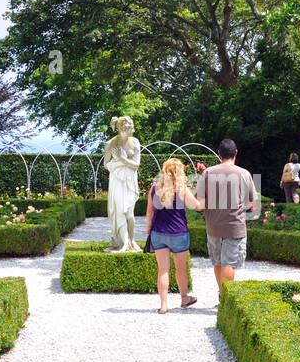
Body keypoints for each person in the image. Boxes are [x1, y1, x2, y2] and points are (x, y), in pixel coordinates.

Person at [196, 138, 255, 297]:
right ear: (236, 153)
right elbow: (251, 201)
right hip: (234, 226)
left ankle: (222, 293)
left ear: (219, 153)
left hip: (213, 225)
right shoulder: (244, 174)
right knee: (229, 263)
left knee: (218, 262)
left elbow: (199, 202)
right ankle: (225, 298)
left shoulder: (208, 173)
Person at [145, 158, 204, 314]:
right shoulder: (182, 189)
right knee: (181, 269)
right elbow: (197, 206)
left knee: (163, 270)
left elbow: (149, 211)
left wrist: (148, 229)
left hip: (158, 233)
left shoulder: (154, 188)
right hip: (179, 234)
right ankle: (184, 298)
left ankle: (164, 305)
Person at [103, 115, 142, 252]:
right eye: (128, 128)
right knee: (120, 211)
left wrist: (121, 159)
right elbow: (106, 164)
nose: (131, 130)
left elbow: (136, 164)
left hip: (130, 180)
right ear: (120, 128)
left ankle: (131, 240)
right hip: (117, 181)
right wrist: (120, 162)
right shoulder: (111, 143)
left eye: (131, 127)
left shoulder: (135, 142)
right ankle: (124, 243)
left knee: (130, 214)